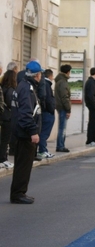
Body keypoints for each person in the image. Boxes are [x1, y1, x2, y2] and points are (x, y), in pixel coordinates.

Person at [10, 60, 42, 204]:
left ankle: (19, 192)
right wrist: (33, 132)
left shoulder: (23, 85)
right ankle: (18, 194)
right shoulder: (27, 88)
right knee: (23, 166)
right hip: (25, 134)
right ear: (37, 75)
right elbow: (25, 114)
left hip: (22, 132)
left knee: (22, 165)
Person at [37, 69, 56, 158]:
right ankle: (42, 150)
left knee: (43, 132)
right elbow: (48, 99)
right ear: (50, 76)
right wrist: (51, 109)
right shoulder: (47, 84)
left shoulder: (42, 83)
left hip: (44, 111)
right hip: (47, 112)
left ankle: (41, 149)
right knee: (44, 133)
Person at [0, 70, 17, 169]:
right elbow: (11, 103)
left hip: (3, 116)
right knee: (5, 140)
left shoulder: (3, 87)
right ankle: (3, 159)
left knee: (3, 139)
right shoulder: (10, 90)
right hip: (7, 117)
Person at [55, 64, 72, 152]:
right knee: (62, 128)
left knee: (61, 127)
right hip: (63, 108)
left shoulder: (60, 80)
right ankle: (60, 146)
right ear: (67, 72)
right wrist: (68, 109)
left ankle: (60, 145)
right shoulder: (63, 82)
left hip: (60, 107)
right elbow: (64, 97)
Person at [84, 67, 95, 147]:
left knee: (93, 123)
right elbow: (91, 96)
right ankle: (91, 140)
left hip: (93, 106)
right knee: (94, 124)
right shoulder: (91, 82)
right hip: (93, 107)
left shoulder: (91, 82)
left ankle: (92, 140)